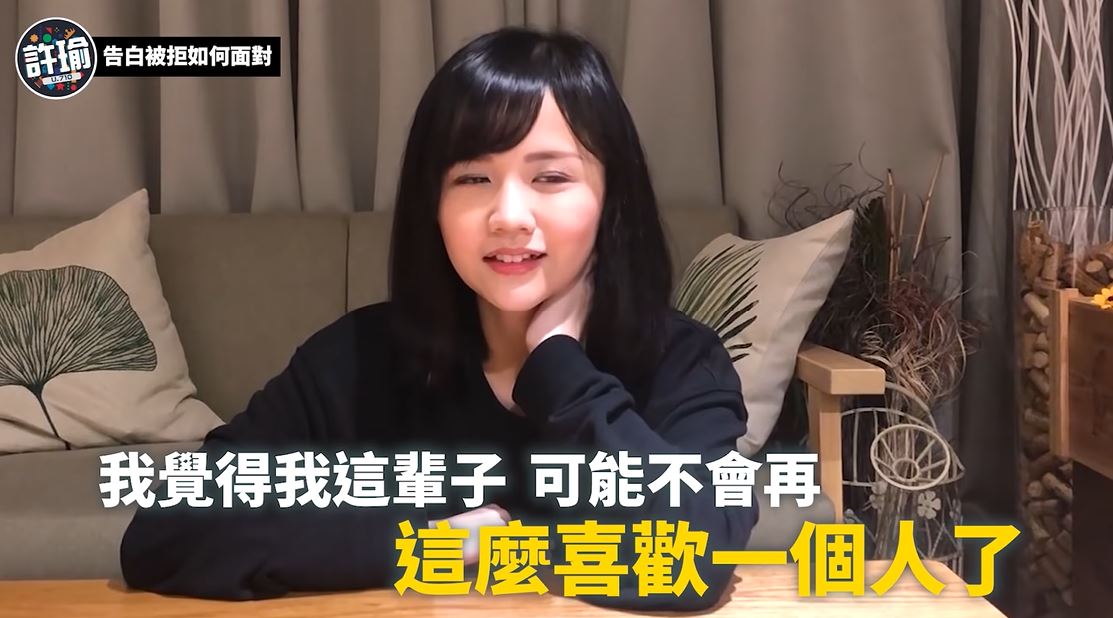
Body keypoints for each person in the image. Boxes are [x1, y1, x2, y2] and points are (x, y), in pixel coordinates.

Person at [119, 26, 757, 611]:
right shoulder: (356, 359)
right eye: (474, 178)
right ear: (434, 204)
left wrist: (560, 369)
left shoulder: (679, 361)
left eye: (550, 177)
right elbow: (165, 531)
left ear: (611, 197)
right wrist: (438, 540)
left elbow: (694, 558)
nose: (509, 216)